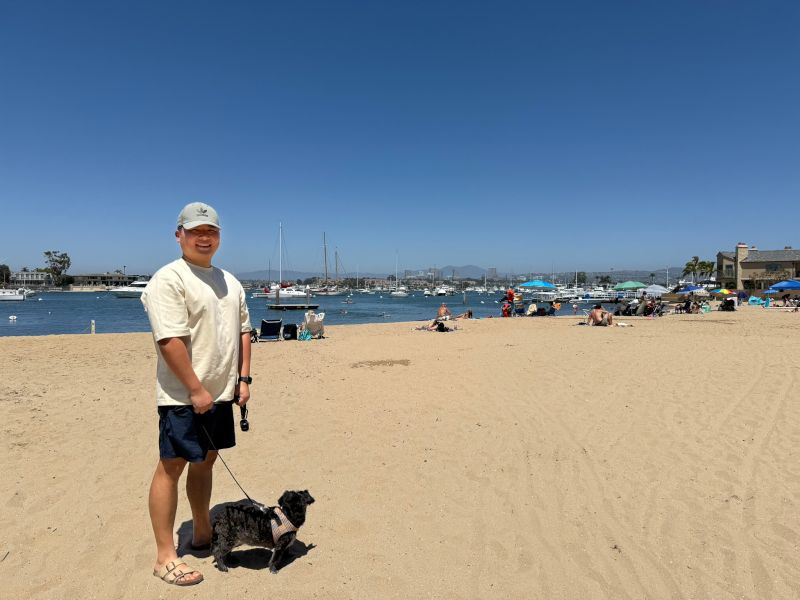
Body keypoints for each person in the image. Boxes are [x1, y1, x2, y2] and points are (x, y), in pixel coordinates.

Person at [141, 202, 252, 586]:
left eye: (211, 231)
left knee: (206, 461)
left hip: (221, 392)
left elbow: (243, 331)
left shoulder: (230, 281)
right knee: (171, 466)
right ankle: (164, 556)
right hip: (182, 396)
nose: (204, 238)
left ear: (219, 237)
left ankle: (202, 531)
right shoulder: (168, 279)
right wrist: (194, 389)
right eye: (195, 231)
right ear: (179, 235)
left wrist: (244, 379)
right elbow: (169, 340)